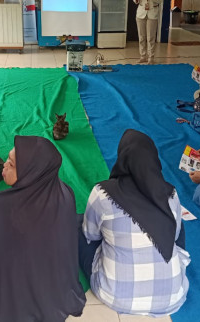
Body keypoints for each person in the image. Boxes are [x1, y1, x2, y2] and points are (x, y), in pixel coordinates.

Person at [0, 136, 86, 321]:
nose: (4, 165)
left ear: (31, 172)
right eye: (8, 159)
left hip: (8, 289)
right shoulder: (65, 193)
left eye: (12, 164)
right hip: (47, 282)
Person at [79, 129, 190, 316]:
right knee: (176, 225)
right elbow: (176, 236)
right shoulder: (171, 194)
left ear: (122, 157)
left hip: (113, 296)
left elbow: (90, 234)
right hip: (173, 299)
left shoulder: (103, 193)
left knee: (79, 229)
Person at [133, 0, 162, 64]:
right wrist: (136, 0)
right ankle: (143, 56)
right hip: (141, 13)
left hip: (152, 14)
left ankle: (151, 57)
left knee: (150, 37)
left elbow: (160, 0)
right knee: (142, 37)